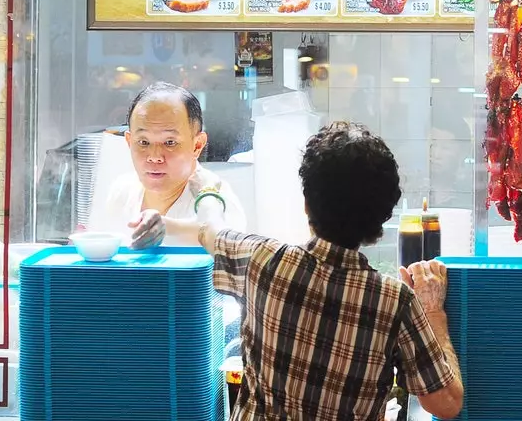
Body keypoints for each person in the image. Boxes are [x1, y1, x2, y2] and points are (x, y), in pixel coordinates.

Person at [131, 121, 465, 421]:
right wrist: (433, 311)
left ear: (307, 203)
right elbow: (445, 404)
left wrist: (192, 196)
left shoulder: (263, 260)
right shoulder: (394, 301)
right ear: (382, 219)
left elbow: (210, 230)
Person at [87, 82, 246, 244]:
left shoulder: (216, 201)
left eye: (170, 142)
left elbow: (230, 252)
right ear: (129, 142)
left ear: (197, 145)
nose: (155, 156)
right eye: (143, 142)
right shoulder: (121, 191)